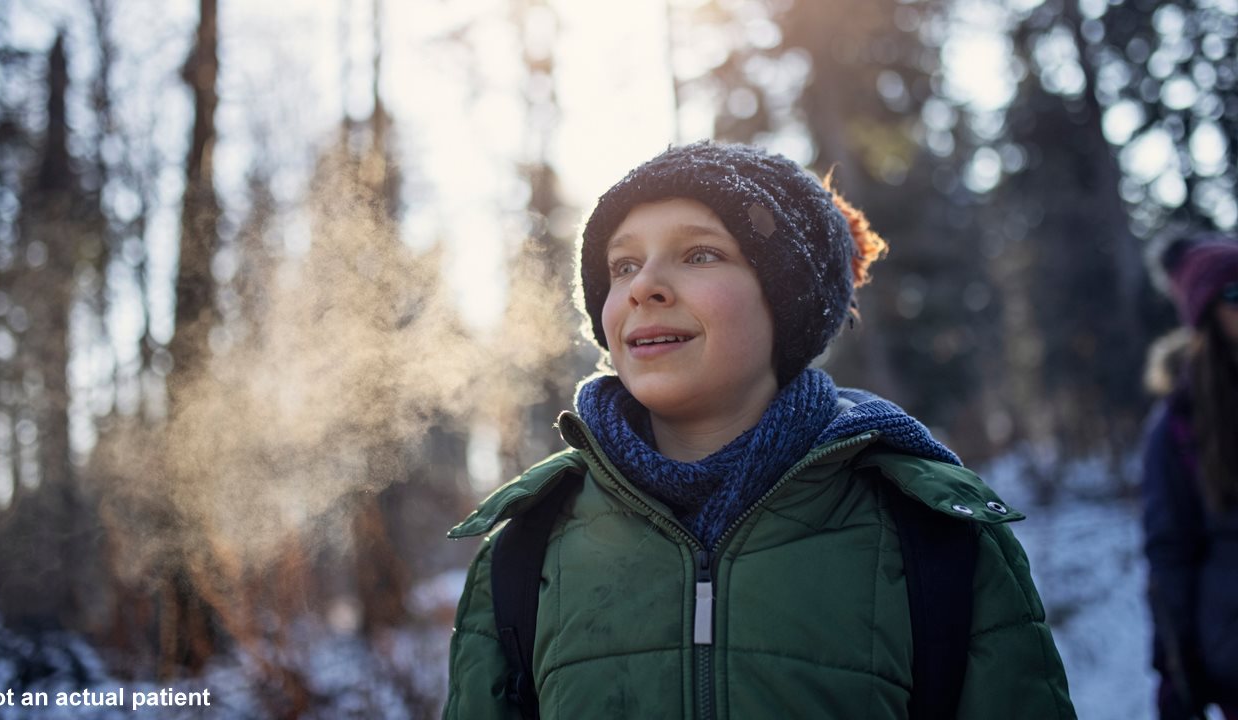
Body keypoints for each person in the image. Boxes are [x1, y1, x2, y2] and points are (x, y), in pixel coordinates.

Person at [444, 141, 1075, 719]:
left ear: (789, 300)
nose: (645, 288)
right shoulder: (525, 549)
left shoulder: (934, 538)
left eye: (699, 254)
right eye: (623, 264)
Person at [1142, 235, 1238, 720]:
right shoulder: (1179, 427)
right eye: (1235, 294)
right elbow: (1170, 555)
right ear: (1205, 313)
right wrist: (1177, 677)